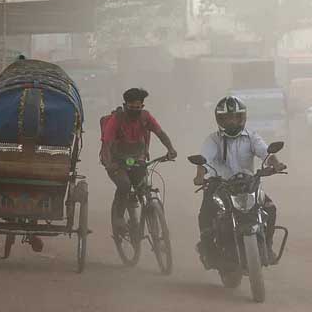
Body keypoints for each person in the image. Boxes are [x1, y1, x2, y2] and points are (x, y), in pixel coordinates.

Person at [193, 96, 287, 267]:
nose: (232, 122)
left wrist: (277, 164)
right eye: (228, 118)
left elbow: (266, 154)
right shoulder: (213, 139)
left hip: (248, 183)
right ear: (220, 119)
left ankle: (267, 245)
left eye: (236, 117)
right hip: (220, 184)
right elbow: (204, 161)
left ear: (242, 117)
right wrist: (200, 176)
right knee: (206, 212)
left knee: (270, 208)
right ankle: (208, 249)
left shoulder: (251, 137)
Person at [100, 88, 177, 229]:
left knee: (143, 186)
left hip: (137, 159)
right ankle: (119, 217)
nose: (135, 110)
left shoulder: (146, 117)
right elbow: (107, 143)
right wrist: (110, 163)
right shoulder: (116, 120)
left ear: (142, 106)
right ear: (124, 106)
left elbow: (160, 133)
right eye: (131, 107)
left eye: (138, 107)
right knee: (124, 185)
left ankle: (146, 211)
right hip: (117, 160)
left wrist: (170, 149)